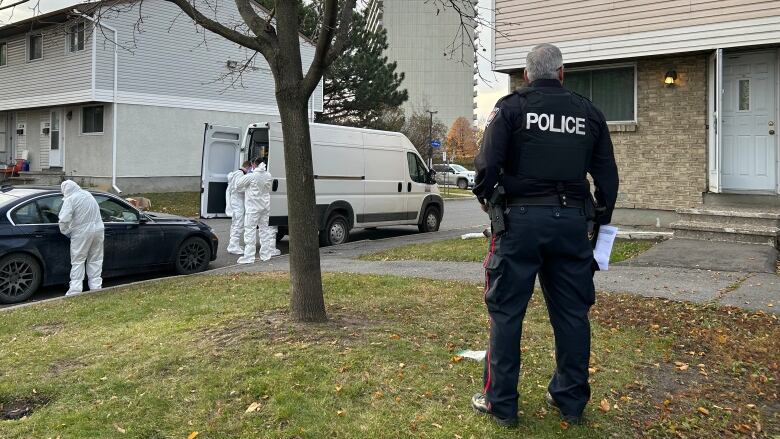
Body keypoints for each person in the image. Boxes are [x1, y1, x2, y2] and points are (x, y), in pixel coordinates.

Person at [470, 43, 619, 428]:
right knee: (572, 314)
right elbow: (607, 178)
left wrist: (489, 201)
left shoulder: (511, 108)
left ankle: (500, 403)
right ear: (562, 73)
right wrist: (598, 220)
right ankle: (570, 401)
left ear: (526, 75)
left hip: (519, 224)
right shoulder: (589, 113)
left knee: (506, 312)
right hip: (572, 224)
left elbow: (486, 165)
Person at [58, 180, 105, 296]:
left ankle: (75, 290)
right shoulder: (88, 195)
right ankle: (95, 288)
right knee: (95, 259)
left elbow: (64, 219)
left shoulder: (70, 199)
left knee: (78, 261)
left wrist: (66, 231)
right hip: (98, 230)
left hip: (82, 232)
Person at [236, 158, 280, 264]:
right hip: (264, 207)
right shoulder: (268, 175)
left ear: (253, 164)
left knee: (250, 231)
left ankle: (249, 256)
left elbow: (238, 184)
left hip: (253, 208)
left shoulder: (251, 176)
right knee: (264, 231)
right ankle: (265, 254)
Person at [225, 161, 252, 255]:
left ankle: (234, 244)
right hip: (237, 201)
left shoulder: (236, 173)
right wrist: (249, 189)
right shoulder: (240, 175)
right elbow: (238, 188)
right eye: (250, 169)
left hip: (235, 201)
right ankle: (233, 246)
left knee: (236, 222)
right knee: (238, 222)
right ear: (248, 167)